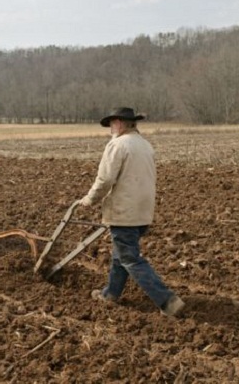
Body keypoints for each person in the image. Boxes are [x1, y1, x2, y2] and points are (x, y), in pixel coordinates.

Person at [79, 107, 185, 317]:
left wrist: (90, 199)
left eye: (111, 124)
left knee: (130, 259)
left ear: (119, 123)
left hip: (124, 212)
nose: (111, 128)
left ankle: (168, 301)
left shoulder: (118, 145)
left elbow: (105, 179)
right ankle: (110, 294)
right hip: (143, 211)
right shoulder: (145, 145)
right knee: (121, 256)